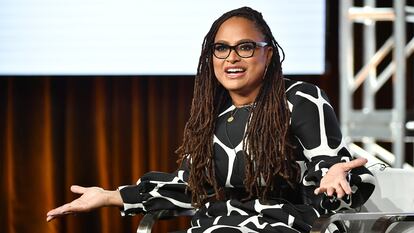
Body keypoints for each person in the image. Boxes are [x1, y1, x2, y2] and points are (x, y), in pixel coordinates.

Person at [47, 7, 375, 233]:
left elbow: (338, 171)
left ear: (268, 53)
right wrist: (108, 196)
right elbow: (190, 189)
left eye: (245, 47)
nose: (231, 57)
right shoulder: (211, 115)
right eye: (221, 48)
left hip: (284, 225)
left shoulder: (300, 99)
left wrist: (335, 176)